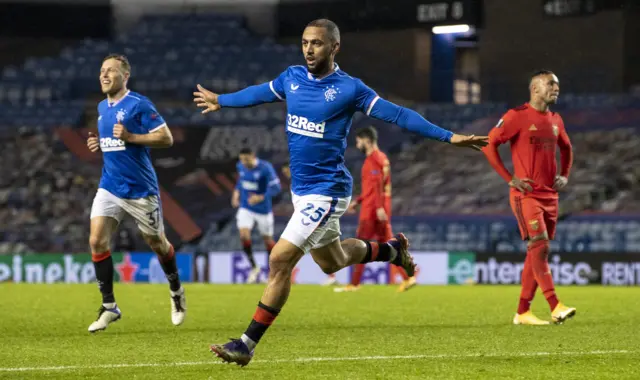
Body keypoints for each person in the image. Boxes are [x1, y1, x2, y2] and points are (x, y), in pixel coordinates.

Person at [193, 19, 487, 365]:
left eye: (316, 43)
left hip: (327, 190)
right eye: (304, 42)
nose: (308, 49)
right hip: (302, 191)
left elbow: (398, 114)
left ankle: (246, 344)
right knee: (332, 260)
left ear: (334, 47)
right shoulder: (292, 77)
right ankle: (393, 252)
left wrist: (448, 136)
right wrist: (222, 101)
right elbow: (258, 93)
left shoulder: (350, 89)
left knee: (279, 259)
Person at [86, 54, 186, 332]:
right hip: (110, 186)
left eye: (111, 71)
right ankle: (109, 307)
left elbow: (166, 138)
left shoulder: (139, 104)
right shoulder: (102, 107)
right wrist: (99, 143)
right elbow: (113, 142)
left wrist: (131, 137)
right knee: (97, 241)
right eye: (102, 70)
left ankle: (176, 291)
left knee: (158, 243)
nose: (104, 75)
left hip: (140, 190)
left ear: (125, 76)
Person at [483, 70, 575, 325]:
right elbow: (489, 144)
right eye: (550, 84)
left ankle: (522, 312)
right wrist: (509, 178)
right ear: (535, 88)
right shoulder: (517, 117)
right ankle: (555, 305)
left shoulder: (556, 120)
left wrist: (565, 174)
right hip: (526, 195)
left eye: (557, 85)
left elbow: (567, 148)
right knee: (541, 245)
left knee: (535, 252)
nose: (556, 88)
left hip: (550, 196)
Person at [334, 126, 416, 293]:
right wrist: (358, 201)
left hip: (372, 211)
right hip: (375, 207)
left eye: (358, 141)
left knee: (359, 246)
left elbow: (377, 185)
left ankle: (354, 284)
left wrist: (377, 207)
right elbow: (371, 188)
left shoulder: (373, 160)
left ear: (367, 140)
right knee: (389, 247)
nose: (357, 145)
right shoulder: (381, 158)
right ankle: (408, 278)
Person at [232, 147, 281, 283]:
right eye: (242, 160)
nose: (244, 162)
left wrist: (260, 197)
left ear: (253, 156)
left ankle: (274, 271)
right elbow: (241, 182)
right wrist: (236, 193)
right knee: (243, 234)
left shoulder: (266, 168)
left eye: (246, 159)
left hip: (263, 210)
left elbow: (276, 188)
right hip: (246, 207)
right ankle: (254, 267)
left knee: (268, 241)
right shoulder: (240, 166)